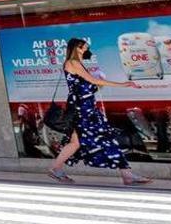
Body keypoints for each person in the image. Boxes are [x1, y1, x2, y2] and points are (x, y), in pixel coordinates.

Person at [48, 38, 152, 186]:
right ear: (78, 47)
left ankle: (55, 168)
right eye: (85, 47)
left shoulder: (75, 63)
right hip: (83, 109)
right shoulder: (73, 63)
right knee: (104, 137)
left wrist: (97, 84)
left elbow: (88, 86)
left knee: (76, 142)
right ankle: (127, 174)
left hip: (84, 107)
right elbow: (92, 81)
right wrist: (123, 84)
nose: (87, 50)